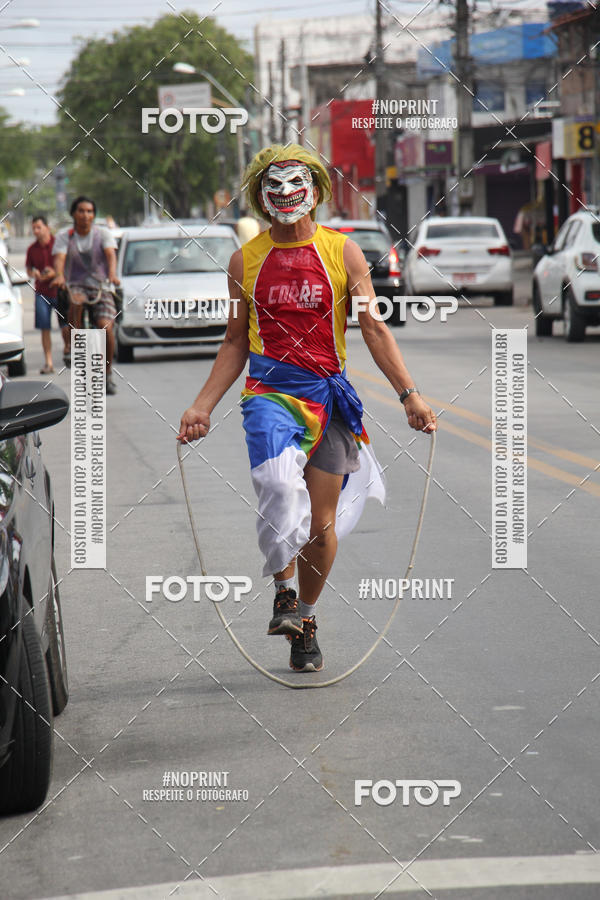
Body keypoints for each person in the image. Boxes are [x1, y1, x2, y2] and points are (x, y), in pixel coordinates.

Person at [178, 144, 437, 674]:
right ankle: (283, 590)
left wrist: (410, 395)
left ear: (316, 191)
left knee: (320, 526)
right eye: (273, 187)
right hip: (271, 393)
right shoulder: (243, 261)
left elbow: (373, 327)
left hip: (330, 396)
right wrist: (201, 406)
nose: (286, 194)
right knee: (276, 485)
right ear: (260, 198)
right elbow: (233, 342)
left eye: (296, 184)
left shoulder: (344, 253)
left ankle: (307, 621)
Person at [52, 196, 120, 394]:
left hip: (101, 286)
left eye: (89, 211)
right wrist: (59, 276)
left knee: (105, 327)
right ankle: (77, 346)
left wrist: (113, 275)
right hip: (76, 286)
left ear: (94, 215)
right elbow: (59, 259)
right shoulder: (66, 236)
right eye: (81, 211)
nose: (85, 215)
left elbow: (110, 255)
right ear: (73, 213)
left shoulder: (103, 234)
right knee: (76, 302)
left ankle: (107, 373)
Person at [25, 215, 69, 374]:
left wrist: (55, 273)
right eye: (34, 228)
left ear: (47, 227)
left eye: (39, 227)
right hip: (41, 293)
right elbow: (29, 269)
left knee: (66, 326)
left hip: (59, 291)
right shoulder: (32, 249)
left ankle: (68, 348)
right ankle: (48, 362)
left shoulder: (58, 245)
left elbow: (66, 265)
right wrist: (34, 273)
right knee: (45, 328)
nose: (36, 231)